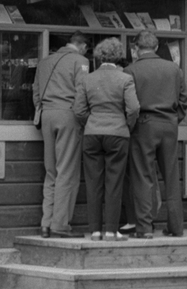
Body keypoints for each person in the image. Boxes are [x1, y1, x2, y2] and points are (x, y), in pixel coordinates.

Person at [73, 37, 140, 240]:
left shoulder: (87, 79)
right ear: (118, 56)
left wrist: (91, 121)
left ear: (99, 56)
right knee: (114, 183)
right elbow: (133, 108)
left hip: (92, 132)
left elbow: (78, 110)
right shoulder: (125, 79)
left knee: (93, 183)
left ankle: (95, 230)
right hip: (118, 133)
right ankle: (111, 230)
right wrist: (127, 124)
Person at [126, 30, 187, 238]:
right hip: (169, 123)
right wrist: (174, 119)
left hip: (143, 124)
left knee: (143, 176)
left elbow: (129, 104)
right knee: (171, 177)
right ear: (156, 46)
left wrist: (132, 124)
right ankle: (176, 227)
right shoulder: (174, 69)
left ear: (136, 48)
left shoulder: (130, 70)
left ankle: (144, 228)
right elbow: (184, 99)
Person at [35, 32, 91, 238]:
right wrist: (82, 118)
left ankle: (46, 223)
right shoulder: (81, 61)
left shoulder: (44, 62)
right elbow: (82, 93)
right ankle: (60, 224)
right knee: (67, 171)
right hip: (68, 115)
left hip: (46, 114)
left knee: (51, 171)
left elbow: (36, 92)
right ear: (83, 46)